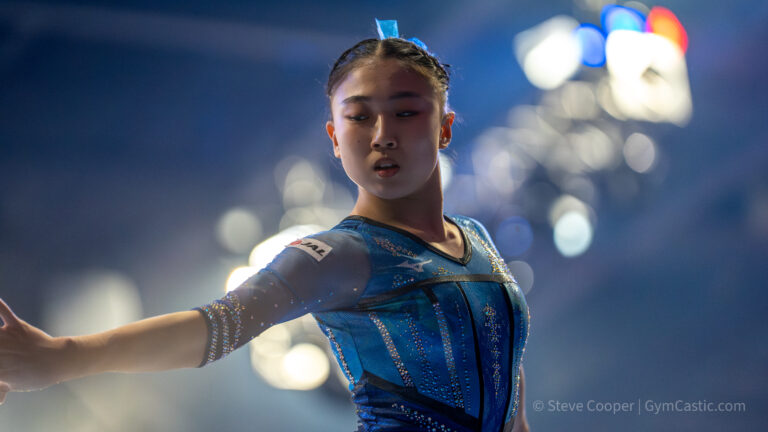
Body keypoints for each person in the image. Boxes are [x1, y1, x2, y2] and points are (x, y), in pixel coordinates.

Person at [0, 20, 530, 432]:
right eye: (359, 116)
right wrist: (64, 357)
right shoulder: (341, 254)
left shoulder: (476, 239)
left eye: (407, 112)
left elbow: (509, 399)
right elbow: (216, 326)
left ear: (444, 127)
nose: (382, 134)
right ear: (332, 136)